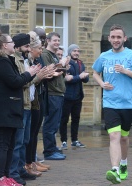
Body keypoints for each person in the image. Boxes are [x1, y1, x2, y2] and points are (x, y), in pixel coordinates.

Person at [0, 29, 39, 186]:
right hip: (2, 110)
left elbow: (14, 81)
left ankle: (6, 177)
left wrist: (29, 74)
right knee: (2, 145)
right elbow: (15, 82)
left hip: (9, 109)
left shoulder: (6, 60)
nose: (14, 44)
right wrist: (29, 74)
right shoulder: (0, 61)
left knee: (10, 145)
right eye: (11, 42)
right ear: (4, 45)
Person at [92, 24, 132, 184]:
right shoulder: (104, 56)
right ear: (109, 38)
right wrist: (101, 84)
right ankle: (115, 169)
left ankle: (123, 163)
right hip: (110, 102)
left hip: (128, 103)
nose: (116, 40)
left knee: (123, 138)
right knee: (113, 136)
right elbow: (95, 73)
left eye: (118, 37)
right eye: (113, 37)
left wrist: (126, 71)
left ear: (124, 39)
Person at [9, 33, 43, 186]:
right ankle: (14, 171)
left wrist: (38, 75)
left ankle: (21, 168)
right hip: (21, 104)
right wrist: (37, 76)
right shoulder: (16, 60)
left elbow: (28, 81)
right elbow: (21, 82)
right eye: (27, 46)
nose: (29, 49)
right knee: (18, 141)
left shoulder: (23, 59)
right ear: (18, 46)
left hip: (28, 104)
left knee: (25, 140)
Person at [26, 31, 54, 173]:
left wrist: (47, 72)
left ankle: (33, 161)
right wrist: (41, 75)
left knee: (35, 131)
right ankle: (28, 163)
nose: (41, 50)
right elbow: (28, 81)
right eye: (39, 47)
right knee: (29, 134)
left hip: (39, 96)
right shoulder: (26, 61)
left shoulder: (37, 59)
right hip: (31, 100)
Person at [41, 32, 69, 160]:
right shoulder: (45, 55)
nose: (57, 43)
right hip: (52, 93)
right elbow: (48, 72)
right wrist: (62, 64)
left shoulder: (53, 55)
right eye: (55, 40)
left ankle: (52, 147)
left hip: (59, 92)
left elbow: (59, 72)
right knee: (50, 123)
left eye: (58, 40)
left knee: (55, 123)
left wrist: (63, 66)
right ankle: (49, 151)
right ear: (48, 41)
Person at [59, 44, 89, 150]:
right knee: (64, 119)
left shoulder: (81, 63)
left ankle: (74, 140)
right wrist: (79, 77)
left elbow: (86, 79)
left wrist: (83, 77)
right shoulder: (67, 63)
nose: (76, 53)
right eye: (74, 51)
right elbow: (67, 79)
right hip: (67, 96)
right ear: (70, 52)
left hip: (78, 96)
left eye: (78, 51)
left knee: (76, 119)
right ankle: (63, 141)